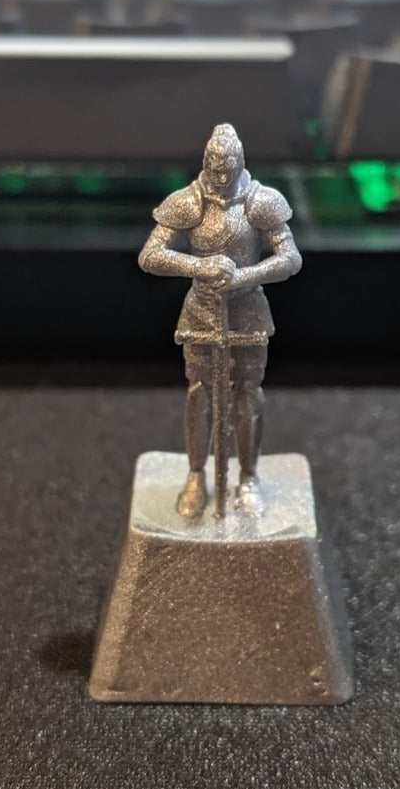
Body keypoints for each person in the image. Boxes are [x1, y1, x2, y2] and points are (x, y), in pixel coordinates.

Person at [138, 123, 302, 517]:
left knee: (248, 393)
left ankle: (248, 477)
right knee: (199, 393)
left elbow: (290, 259)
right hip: (202, 309)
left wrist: (243, 276)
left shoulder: (261, 201)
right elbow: (150, 255)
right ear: (205, 163)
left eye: (227, 169)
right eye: (214, 169)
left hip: (247, 310)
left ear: (239, 162)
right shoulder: (188, 202)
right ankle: (197, 475)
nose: (221, 177)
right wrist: (199, 266)